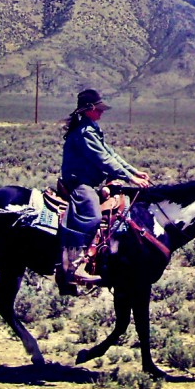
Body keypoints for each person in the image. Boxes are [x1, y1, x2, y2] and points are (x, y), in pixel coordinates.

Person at [57, 88, 150, 294]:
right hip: (79, 183)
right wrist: (130, 177)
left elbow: (111, 155)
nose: (102, 112)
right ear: (89, 109)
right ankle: (74, 267)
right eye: (98, 109)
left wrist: (134, 172)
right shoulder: (85, 132)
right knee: (92, 216)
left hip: (91, 181)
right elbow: (103, 160)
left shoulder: (92, 128)